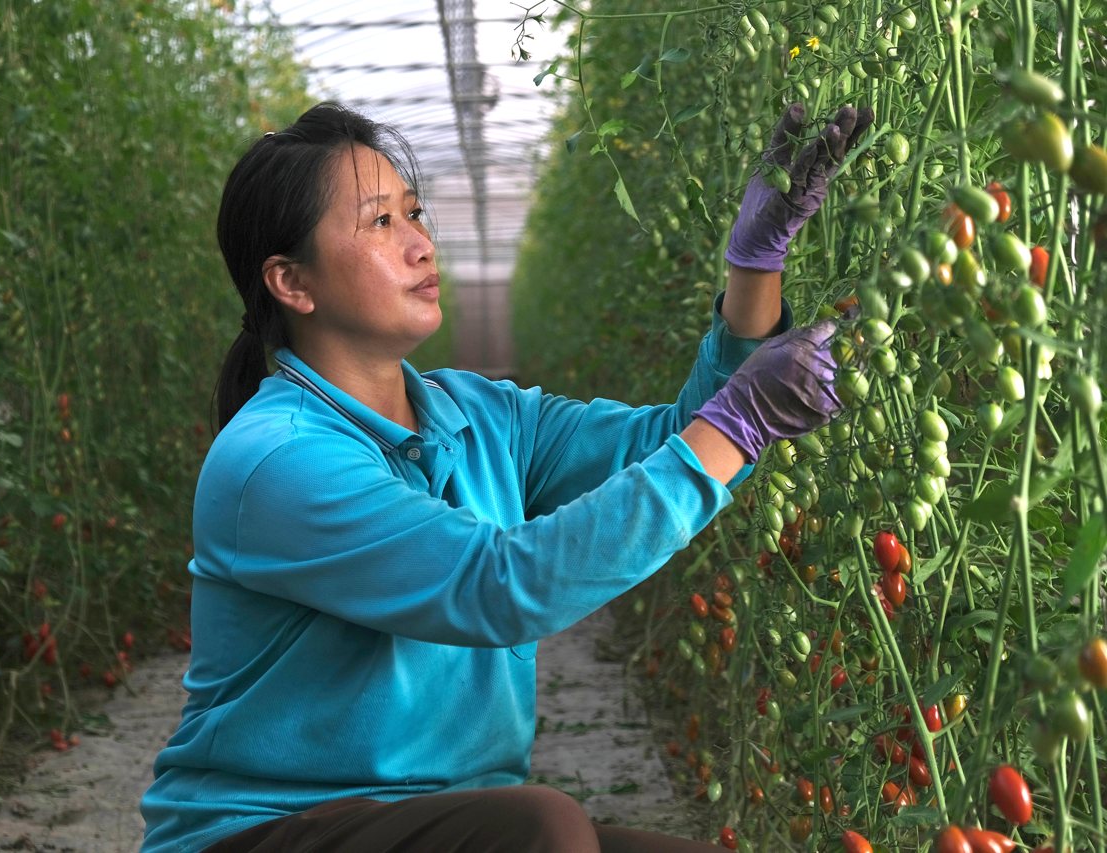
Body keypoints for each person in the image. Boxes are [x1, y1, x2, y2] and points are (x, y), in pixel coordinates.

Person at [140, 100, 873, 853]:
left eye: (415, 212)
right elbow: (497, 586)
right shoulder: (276, 458)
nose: (423, 244)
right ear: (292, 282)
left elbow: (671, 443)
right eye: (380, 223)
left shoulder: (479, 415)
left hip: (446, 821)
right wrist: (738, 421)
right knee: (543, 826)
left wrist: (754, 271)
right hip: (268, 832)